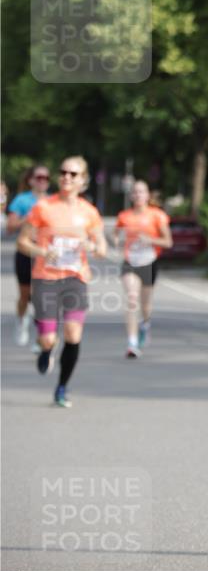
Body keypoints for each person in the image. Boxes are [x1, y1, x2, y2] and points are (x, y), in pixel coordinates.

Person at [17, 156, 106, 407]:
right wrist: (44, 252)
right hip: (46, 278)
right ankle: (45, 349)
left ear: (83, 180)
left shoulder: (89, 212)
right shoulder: (44, 207)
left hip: (75, 278)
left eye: (73, 174)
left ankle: (62, 386)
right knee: (48, 339)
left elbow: (102, 248)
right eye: (63, 172)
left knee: (73, 334)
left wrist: (91, 245)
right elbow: (23, 242)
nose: (67, 177)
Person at [114, 180, 172, 358]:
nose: (138, 195)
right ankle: (132, 342)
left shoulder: (157, 215)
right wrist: (117, 240)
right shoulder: (124, 216)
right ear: (131, 196)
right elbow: (115, 235)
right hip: (130, 261)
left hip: (149, 261)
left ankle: (145, 325)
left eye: (142, 192)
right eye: (135, 192)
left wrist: (150, 240)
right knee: (132, 299)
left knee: (145, 305)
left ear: (147, 195)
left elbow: (168, 242)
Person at [6, 165, 51, 347]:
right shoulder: (22, 200)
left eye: (46, 178)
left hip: (44, 254)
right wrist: (30, 217)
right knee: (25, 296)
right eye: (39, 177)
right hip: (25, 252)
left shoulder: (52, 202)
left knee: (41, 296)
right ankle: (21, 321)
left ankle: (41, 335)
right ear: (31, 180)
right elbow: (10, 227)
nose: (42, 181)